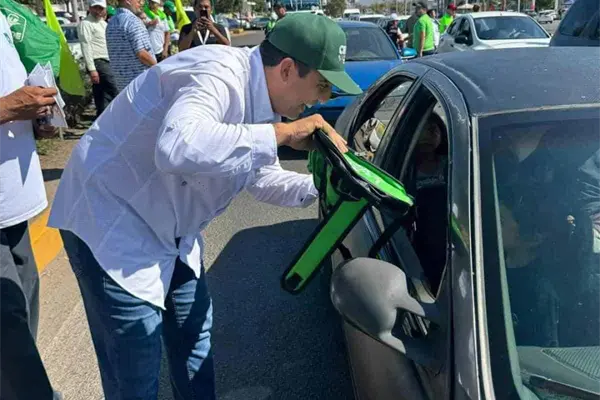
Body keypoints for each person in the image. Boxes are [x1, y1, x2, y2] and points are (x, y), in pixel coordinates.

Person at [48, 13, 360, 400]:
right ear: (286, 69)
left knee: (194, 340)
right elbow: (177, 145)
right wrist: (281, 134)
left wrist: (322, 185)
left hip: (172, 229)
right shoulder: (217, 72)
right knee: (135, 371)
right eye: (322, 85)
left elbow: (260, 177)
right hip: (113, 223)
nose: (323, 100)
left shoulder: (265, 104)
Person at [0, 12, 62, 400]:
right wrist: (7, 108)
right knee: (8, 323)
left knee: (22, 312)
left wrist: (35, 116)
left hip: (14, 200)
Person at [79, 0, 118, 117]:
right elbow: (85, 46)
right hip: (99, 62)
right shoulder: (86, 24)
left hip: (108, 61)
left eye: (101, 8)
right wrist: (92, 69)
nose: (98, 11)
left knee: (103, 96)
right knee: (116, 90)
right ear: (90, 8)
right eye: (95, 8)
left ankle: (103, 120)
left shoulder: (103, 23)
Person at [106, 0, 156, 91]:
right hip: (141, 83)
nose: (141, 3)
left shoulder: (111, 23)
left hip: (123, 85)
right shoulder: (133, 21)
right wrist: (158, 67)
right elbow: (142, 53)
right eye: (138, 0)